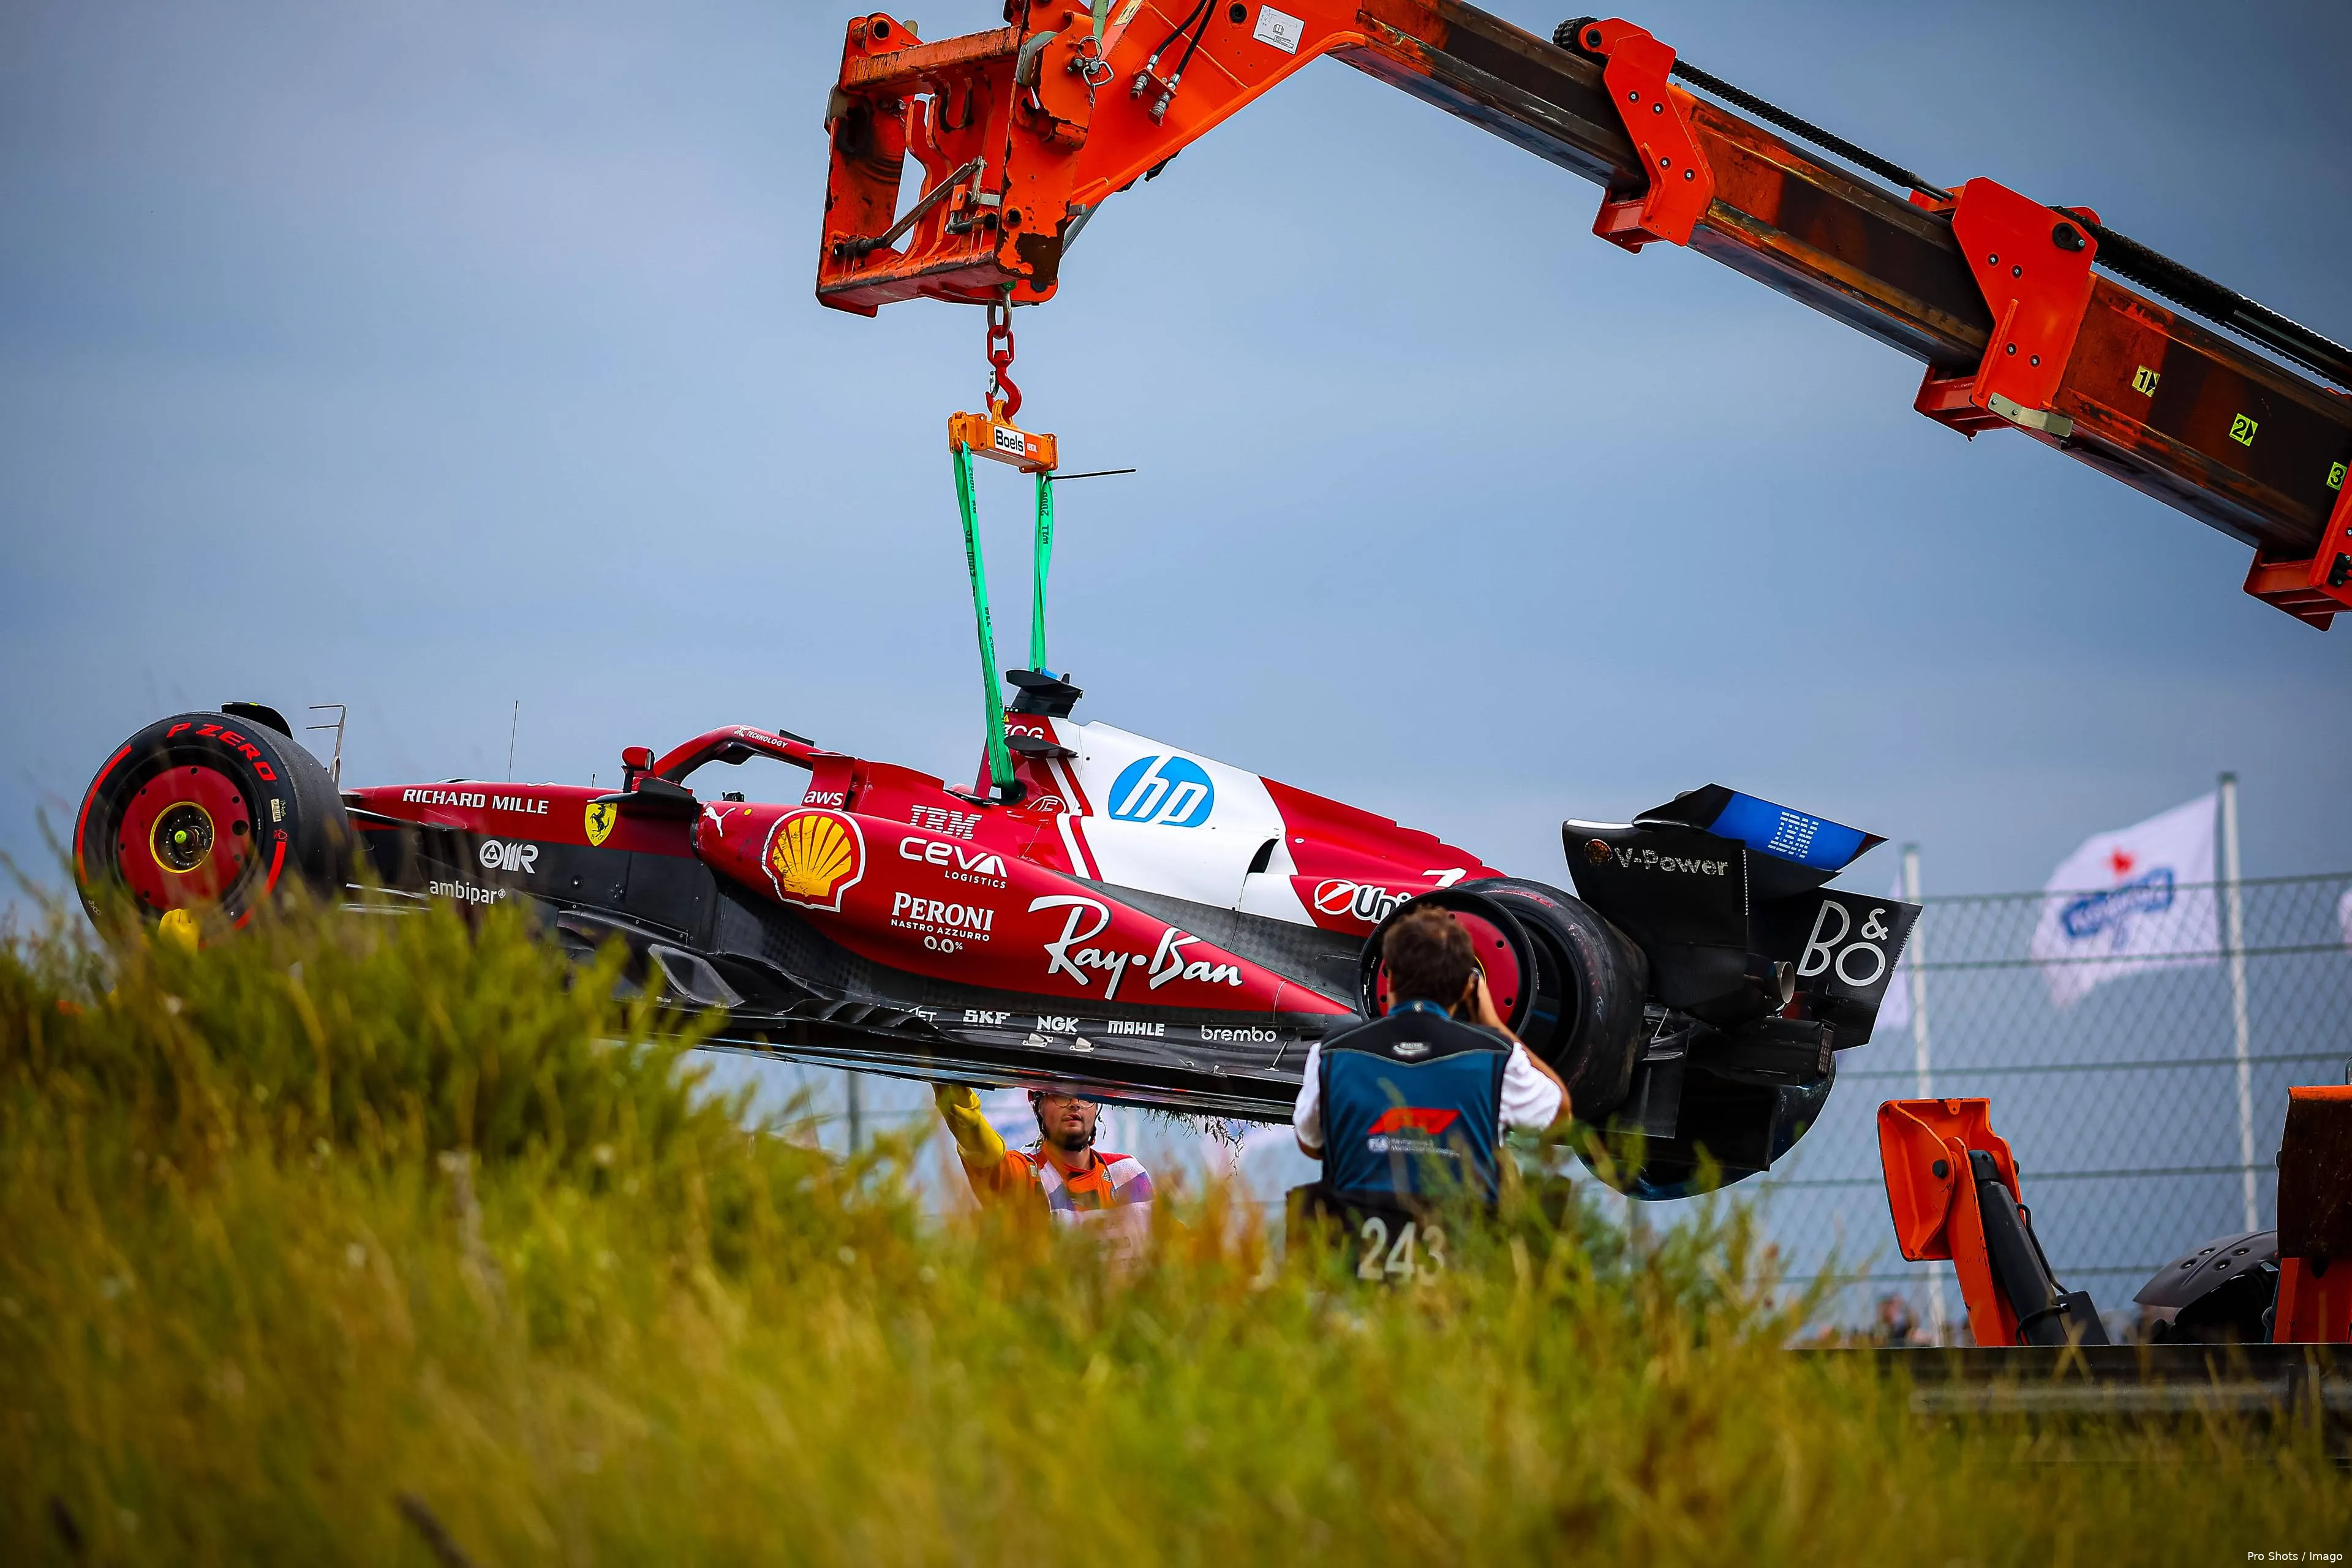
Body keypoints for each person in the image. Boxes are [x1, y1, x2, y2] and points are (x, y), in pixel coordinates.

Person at [1292, 908, 1572, 1238]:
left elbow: (1310, 1144)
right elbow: (1561, 1117)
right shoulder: (1498, 1058)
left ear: (1390, 979)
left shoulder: (1330, 1054)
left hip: (1352, 1265)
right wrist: (1495, 1026)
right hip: (1461, 1270)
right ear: (1467, 989)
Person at [933, 1082, 1155, 1264]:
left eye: (1086, 1095)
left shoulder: (1128, 1172)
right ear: (1038, 1105)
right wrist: (964, 1112)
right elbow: (984, 1153)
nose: (1075, 1104)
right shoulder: (1028, 1176)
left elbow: (1171, 1243)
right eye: (1060, 1093)